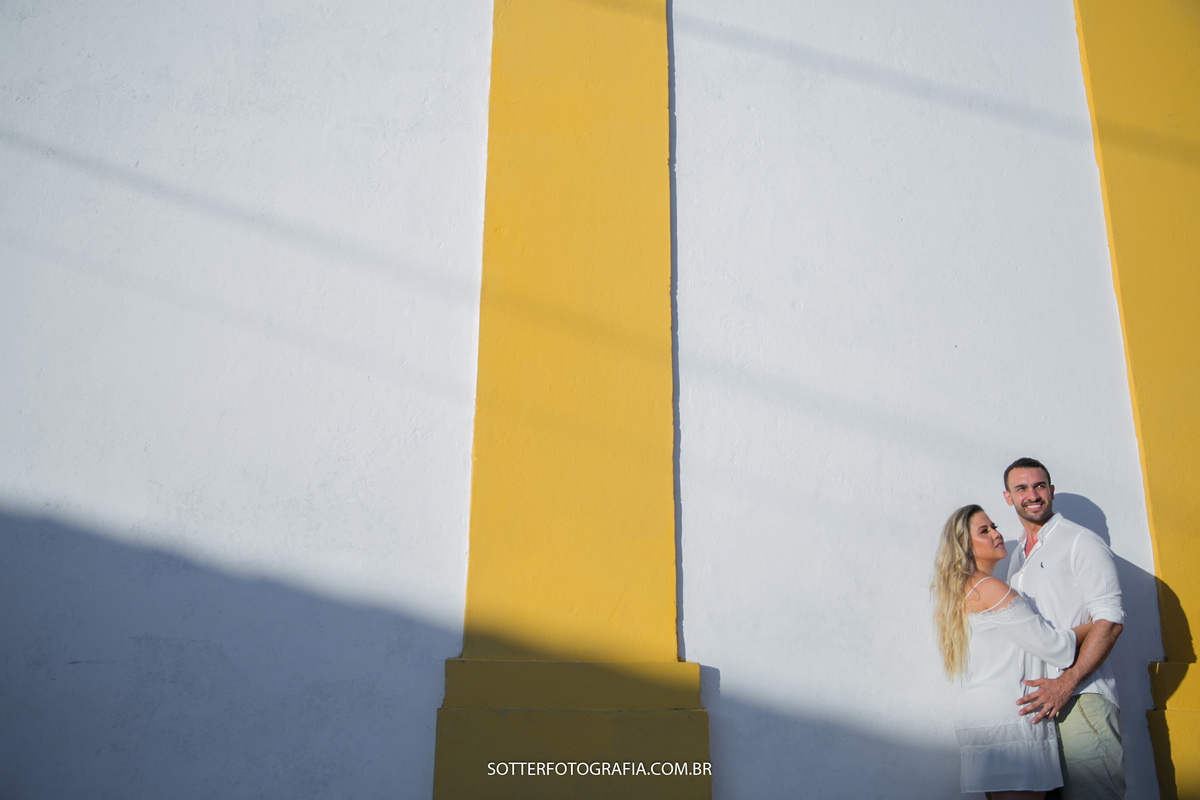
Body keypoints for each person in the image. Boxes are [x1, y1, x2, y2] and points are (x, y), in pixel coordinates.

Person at [933, 504, 1091, 799]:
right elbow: (1054, 647)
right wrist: (1095, 625)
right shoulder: (990, 589)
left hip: (981, 717)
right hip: (1011, 716)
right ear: (966, 547)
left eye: (993, 526)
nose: (996, 533)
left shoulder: (961, 592)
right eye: (984, 531)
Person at [1003, 457, 1125, 800]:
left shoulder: (1080, 541)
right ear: (1008, 497)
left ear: (1051, 490)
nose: (1032, 495)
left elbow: (1110, 622)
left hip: (1081, 697)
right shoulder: (1016, 557)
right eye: (1021, 488)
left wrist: (1066, 684)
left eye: (1039, 486)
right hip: (1036, 706)